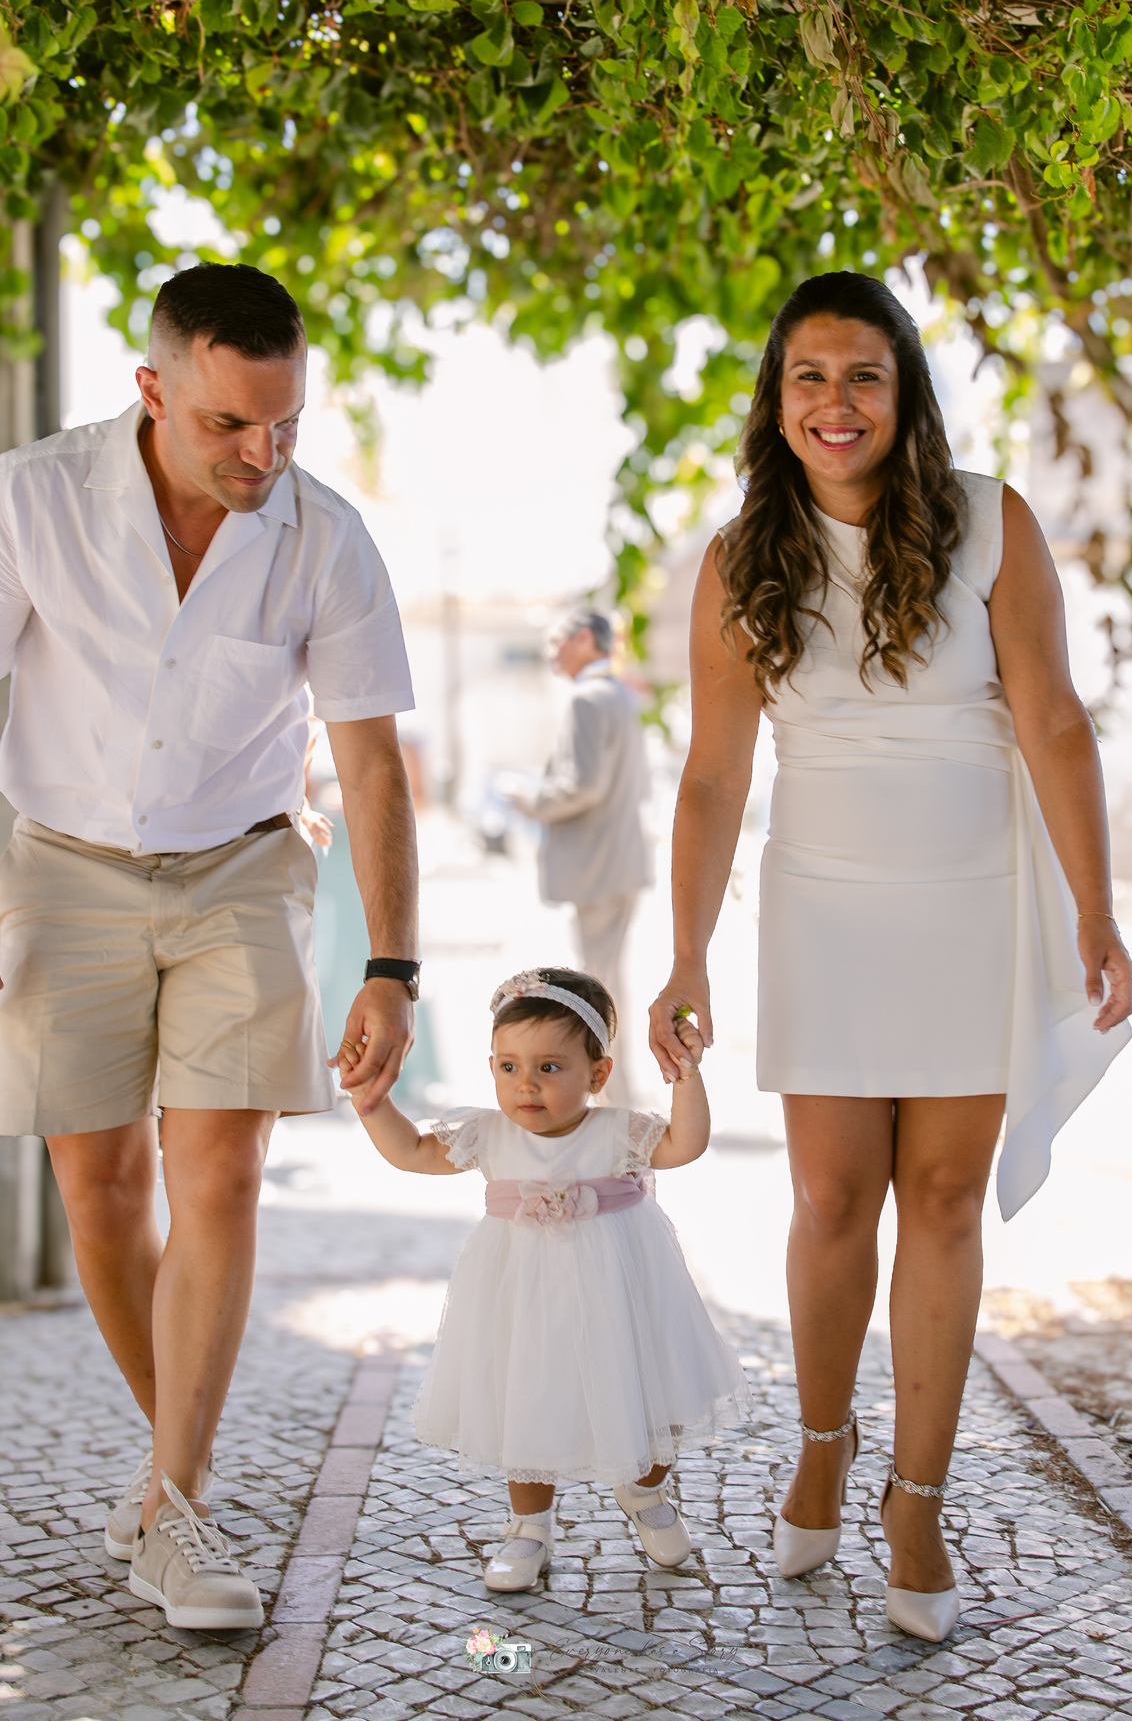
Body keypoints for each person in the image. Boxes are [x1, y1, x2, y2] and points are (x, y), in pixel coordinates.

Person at [648, 271, 1132, 1644]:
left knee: (941, 1198)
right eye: (808, 378)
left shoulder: (993, 521)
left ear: (905, 391)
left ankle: (915, 1497)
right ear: (776, 400)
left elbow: (1055, 723)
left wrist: (1094, 911)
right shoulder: (745, 555)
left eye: (863, 375)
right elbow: (709, 777)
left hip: (976, 897)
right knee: (826, 1199)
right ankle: (822, 1441)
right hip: (826, 903)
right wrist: (684, 953)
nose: (835, 403)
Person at [0, 264, 420, 1630]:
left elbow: (371, 769)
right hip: (64, 865)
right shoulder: (33, 500)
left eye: (286, 423)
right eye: (232, 425)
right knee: (103, 1191)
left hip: (245, 864)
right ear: (153, 389)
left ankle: (175, 1505)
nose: (264, 453)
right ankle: (171, 1479)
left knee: (223, 1170)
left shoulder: (324, 537)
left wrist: (392, 969)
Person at [337, 965, 749, 1590]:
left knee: (637, 1390)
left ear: (598, 1074)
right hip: (521, 1295)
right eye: (509, 1067)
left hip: (618, 1290)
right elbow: (412, 1153)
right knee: (523, 1399)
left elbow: (685, 1144)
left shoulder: (618, 1132)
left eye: (550, 1068)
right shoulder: (490, 1133)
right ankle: (529, 1528)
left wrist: (685, 1076)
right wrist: (371, 1099)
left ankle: (646, 1496)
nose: (525, 1084)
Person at [511, 611, 650, 1105]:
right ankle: (620, 1089)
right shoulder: (621, 695)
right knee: (609, 975)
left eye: (555, 640)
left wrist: (530, 800)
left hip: (597, 862)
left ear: (585, 639)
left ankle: (616, 1096)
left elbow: (582, 785)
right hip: (620, 858)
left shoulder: (589, 700)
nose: (549, 651)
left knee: (599, 984)